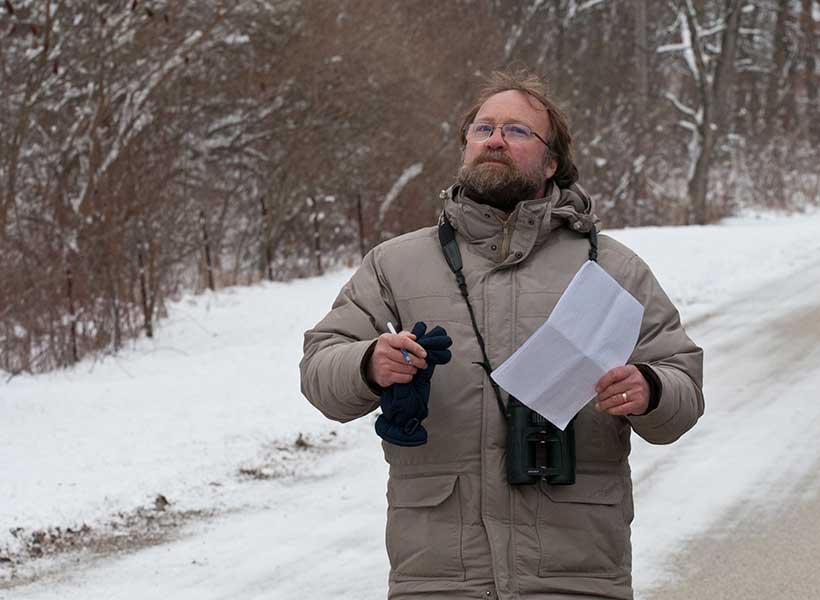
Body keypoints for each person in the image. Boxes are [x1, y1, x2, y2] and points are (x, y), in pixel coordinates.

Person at [300, 70, 703, 600]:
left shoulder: (609, 267)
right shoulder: (397, 263)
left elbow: (683, 384)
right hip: (440, 574)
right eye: (482, 128)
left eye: (516, 131)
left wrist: (649, 389)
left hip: (577, 572)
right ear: (466, 145)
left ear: (552, 161)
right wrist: (367, 363)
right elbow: (319, 367)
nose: (494, 138)